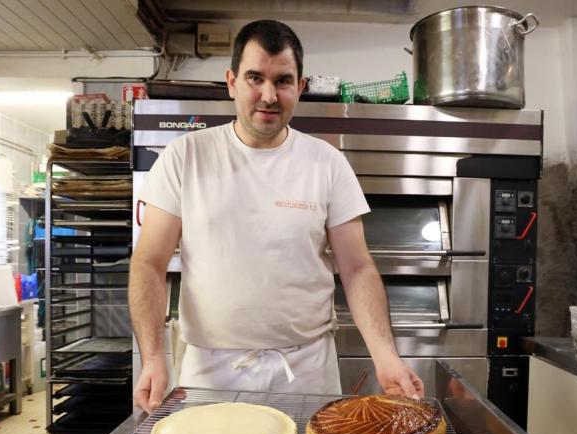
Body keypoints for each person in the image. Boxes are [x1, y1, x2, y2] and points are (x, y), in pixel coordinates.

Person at [129, 19, 424, 413]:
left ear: (300, 87)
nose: (269, 95)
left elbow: (357, 268)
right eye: (255, 78)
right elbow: (149, 262)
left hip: (306, 368)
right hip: (211, 370)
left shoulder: (327, 163)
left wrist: (385, 355)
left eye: (283, 80)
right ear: (232, 81)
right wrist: (153, 358)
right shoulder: (185, 157)